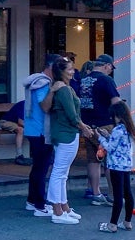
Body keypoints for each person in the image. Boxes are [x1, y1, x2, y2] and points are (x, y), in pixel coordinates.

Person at [47, 56, 95, 225]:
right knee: (59, 172)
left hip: (65, 133)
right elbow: (72, 115)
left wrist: (82, 126)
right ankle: (57, 210)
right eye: (69, 69)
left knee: (62, 173)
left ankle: (64, 206)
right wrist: (84, 128)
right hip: (66, 133)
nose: (73, 71)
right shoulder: (64, 90)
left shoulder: (63, 88)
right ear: (61, 71)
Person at [78, 53, 122, 204]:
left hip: (87, 125)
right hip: (104, 123)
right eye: (111, 68)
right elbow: (116, 102)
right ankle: (113, 195)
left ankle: (95, 193)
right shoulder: (106, 80)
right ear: (107, 65)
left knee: (93, 160)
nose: (111, 71)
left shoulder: (84, 80)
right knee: (110, 160)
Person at [22, 57, 59, 218]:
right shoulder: (44, 83)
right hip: (41, 131)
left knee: (37, 167)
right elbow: (45, 106)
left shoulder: (35, 80)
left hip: (33, 129)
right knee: (41, 168)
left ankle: (32, 201)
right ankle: (40, 204)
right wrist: (54, 91)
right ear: (51, 67)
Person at [97, 101, 135, 233]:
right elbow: (119, 144)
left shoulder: (117, 130)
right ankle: (127, 222)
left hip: (116, 166)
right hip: (126, 165)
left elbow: (110, 148)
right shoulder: (128, 128)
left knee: (118, 195)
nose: (112, 118)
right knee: (127, 193)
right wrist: (107, 136)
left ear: (118, 115)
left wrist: (100, 138)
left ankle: (112, 224)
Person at [0, 99, 28, 164]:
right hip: (5, 122)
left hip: (16, 123)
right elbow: (21, 122)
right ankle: (19, 156)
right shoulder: (23, 104)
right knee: (20, 130)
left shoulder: (35, 106)